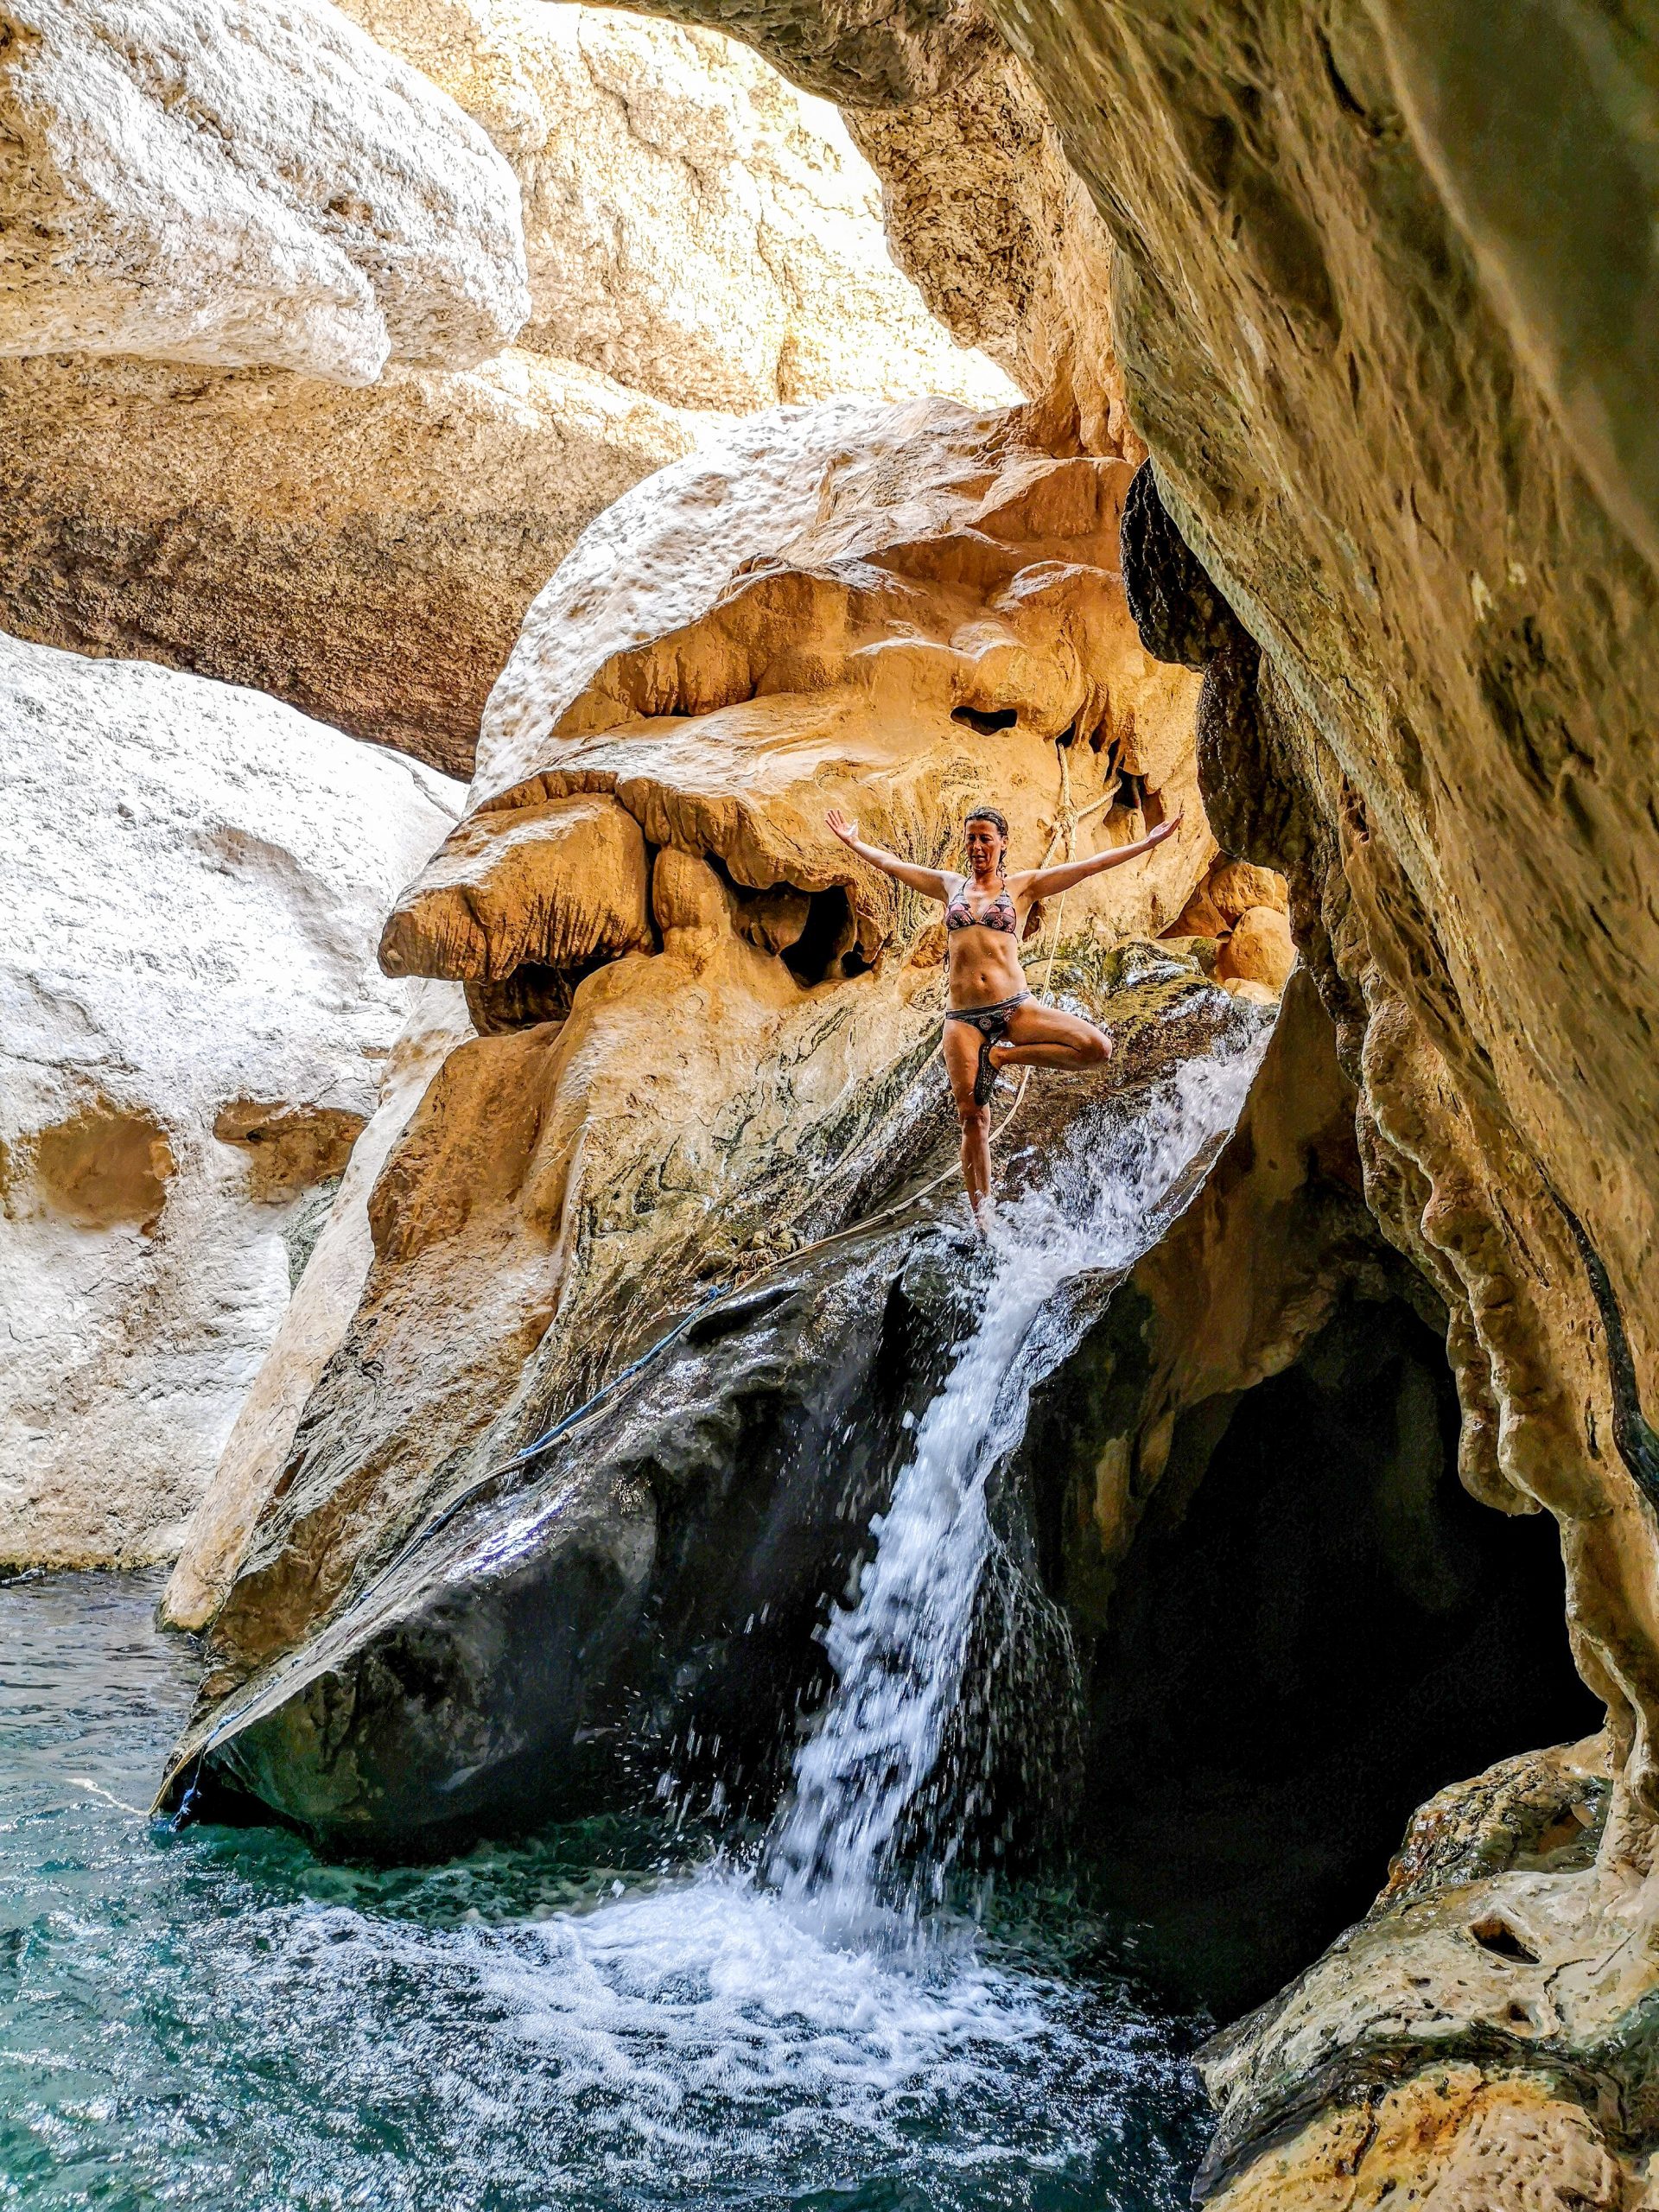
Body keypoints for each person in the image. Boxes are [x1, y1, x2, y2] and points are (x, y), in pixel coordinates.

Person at [825, 800, 1182, 1220]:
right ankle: (983, 1217)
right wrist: (854, 843)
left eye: (985, 839)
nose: (977, 847)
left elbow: (1089, 866)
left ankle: (1003, 1056)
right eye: (971, 838)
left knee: (1096, 1047)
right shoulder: (949, 885)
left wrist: (1145, 843)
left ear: (1002, 844)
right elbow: (892, 865)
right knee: (973, 1119)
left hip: (1015, 1008)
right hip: (962, 1019)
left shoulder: (1023, 887)